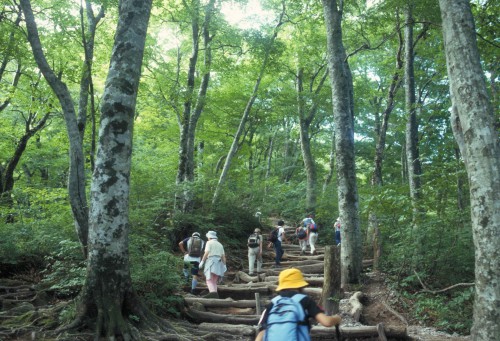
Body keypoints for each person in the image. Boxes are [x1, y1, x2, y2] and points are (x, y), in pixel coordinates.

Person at [255, 268, 341, 341]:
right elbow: (327, 322)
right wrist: (337, 318)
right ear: (300, 285)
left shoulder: (273, 303)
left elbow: (261, 334)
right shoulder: (304, 300)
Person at [199, 231, 227, 298]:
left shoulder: (209, 243)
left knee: (209, 279)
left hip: (211, 261)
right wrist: (224, 265)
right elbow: (223, 256)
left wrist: (202, 262)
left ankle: (212, 292)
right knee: (214, 280)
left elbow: (206, 253)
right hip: (219, 263)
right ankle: (215, 294)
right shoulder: (220, 244)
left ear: (209, 237)